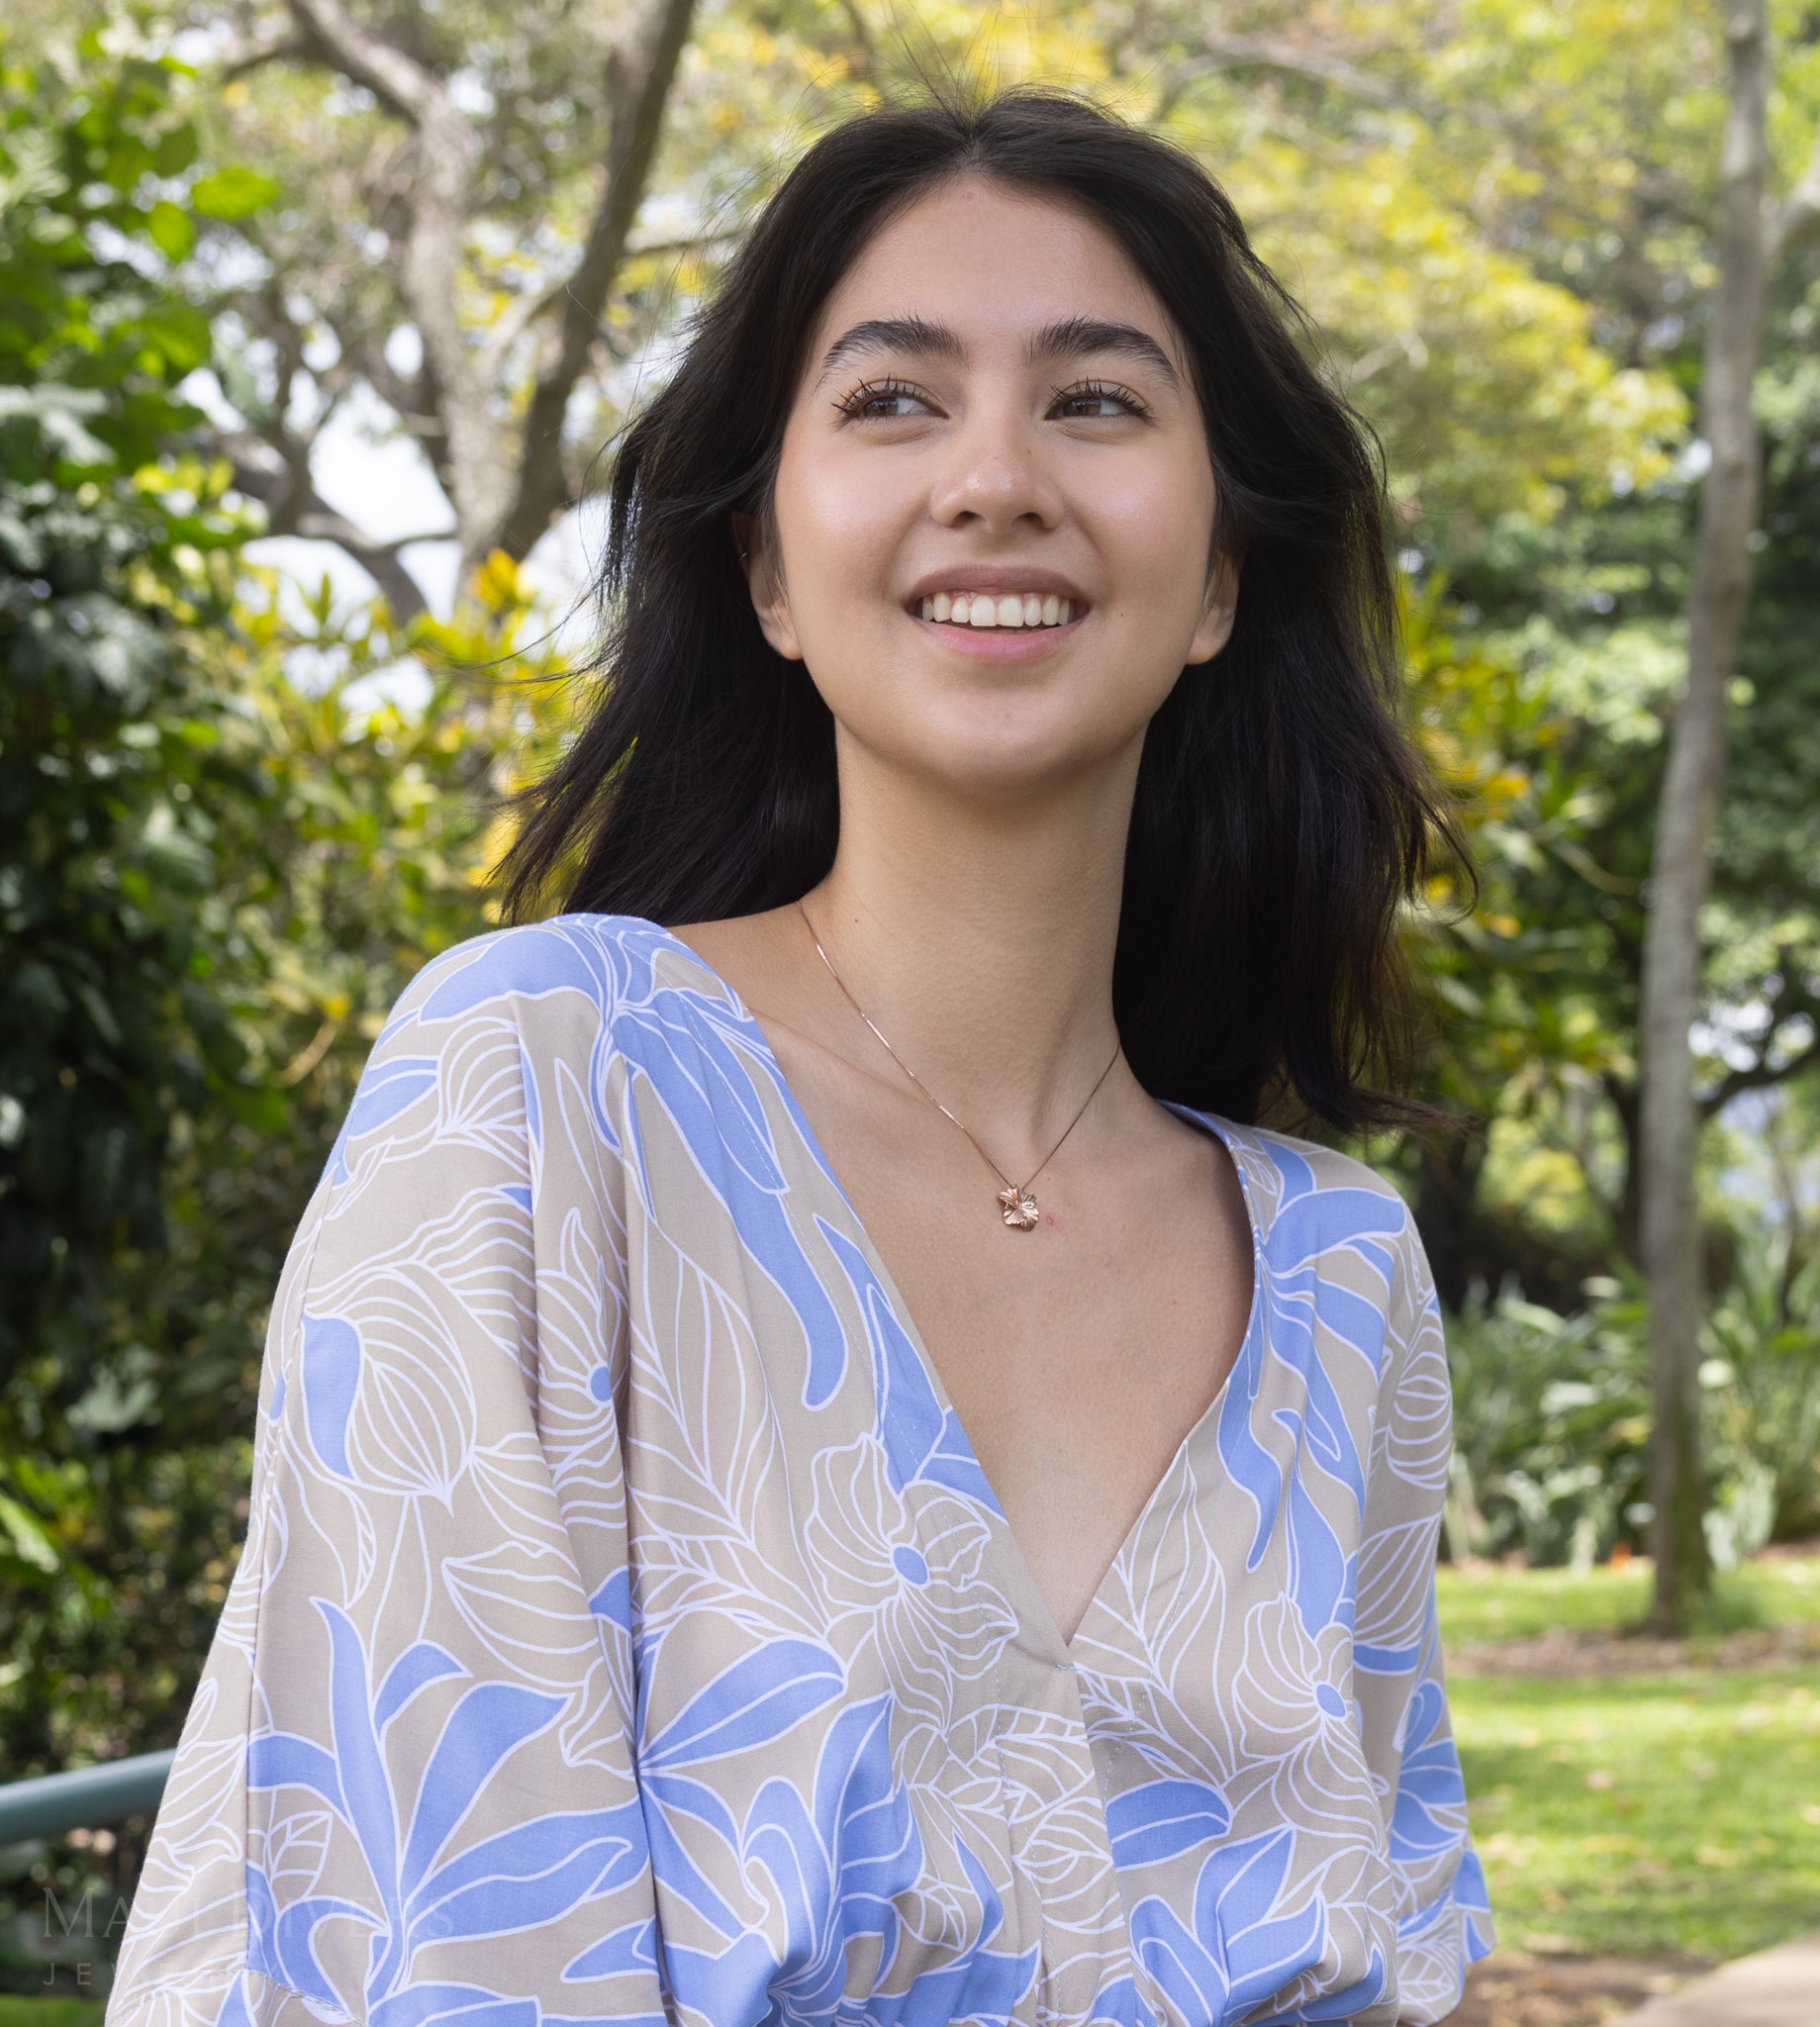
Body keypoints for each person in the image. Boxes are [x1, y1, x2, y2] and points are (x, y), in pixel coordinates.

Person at [109, 87, 1493, 2027]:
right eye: (893, 399)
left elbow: (1404, 1952)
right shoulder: (547, 1087)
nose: (996, 477)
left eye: (1096, 401)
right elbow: (431, 1940)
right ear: (766, 565)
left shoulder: (1345, 1280)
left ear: (1220, 580)